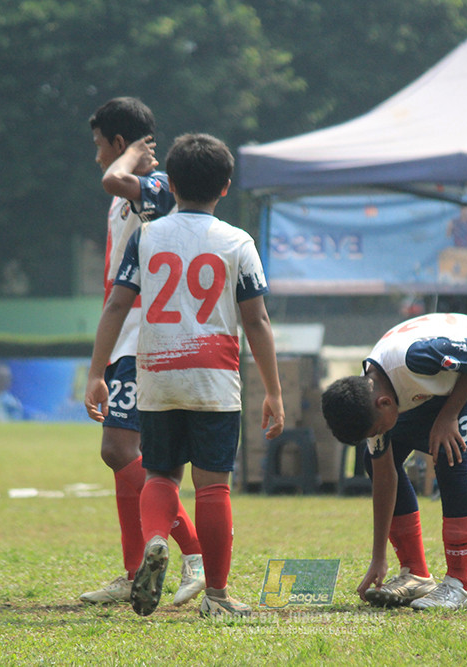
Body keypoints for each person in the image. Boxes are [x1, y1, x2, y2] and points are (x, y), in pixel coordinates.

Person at [85, 133, 284, 618]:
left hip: (157, 375)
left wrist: (96, 373)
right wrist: (274, 391)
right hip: (213, 379)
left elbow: (117, 304)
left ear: (170, 184)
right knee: (213, 486)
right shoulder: (238, 242)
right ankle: (216, 595)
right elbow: (257, 320)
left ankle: (156, 537)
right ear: (226, 186)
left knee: (160, 473)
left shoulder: (147, 236)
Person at [79, 97, 206, 606]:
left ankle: (195, 554)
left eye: (99, 145)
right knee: (124, 458)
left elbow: (113, 179)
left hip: (143, 338)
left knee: (118, 451)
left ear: (117, 143)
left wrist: (132, 154)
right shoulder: (127, 191)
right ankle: (134, 570)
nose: (96, 157)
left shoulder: (155, 185)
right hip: (124, 337)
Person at [321, 312, 467, 610]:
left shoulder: (414, 359)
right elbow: (384, 476)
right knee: (374, 459)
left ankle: (460, 585)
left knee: (450, 455)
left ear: (384, 403)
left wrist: (449, 416)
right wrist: (378, 557)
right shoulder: (370, 396)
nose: (378, 434)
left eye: (376, 429)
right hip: (444, 377)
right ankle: (415, 573)